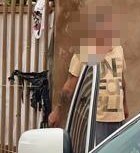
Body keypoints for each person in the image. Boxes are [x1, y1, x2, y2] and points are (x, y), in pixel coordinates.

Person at [49, 13, 127, 142]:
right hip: (95, 118)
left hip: (118, 118)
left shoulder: (118, 50)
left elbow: (121, 80)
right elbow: (69, 87)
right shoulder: (84, 53)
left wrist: (124, 104)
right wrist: (57, 111)